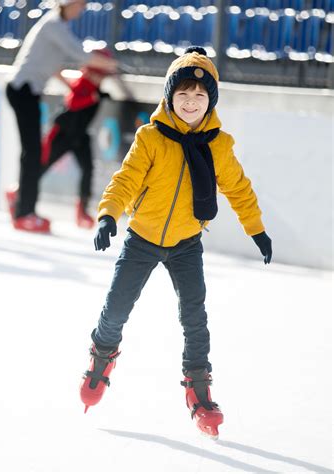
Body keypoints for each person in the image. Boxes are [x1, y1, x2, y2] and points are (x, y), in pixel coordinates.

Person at [79, 47, 273, 439]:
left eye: (199, 96)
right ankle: (102, 358)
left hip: (186, 243)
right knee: (116, 309)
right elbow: (126, 180)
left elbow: (238, 188)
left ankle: (199, 391)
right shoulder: (151, 137)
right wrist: (107, 215)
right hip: (142, 239)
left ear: (210, 101)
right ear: (169, 97)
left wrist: (256, 229)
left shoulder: (218, 145)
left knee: (194, 318)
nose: (190, 102)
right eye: (183, 94)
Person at [6, 0, 117, 233]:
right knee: (34, 153)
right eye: (79, 4)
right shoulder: (53, 25)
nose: (82, 8)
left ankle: (23, 207)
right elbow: (80, 55)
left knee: (34, 153)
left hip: (30, 92)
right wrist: (111, 64)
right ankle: (24, 212)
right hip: (23, 90)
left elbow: (53, 66)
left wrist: (69, 85)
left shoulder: (58, 28)